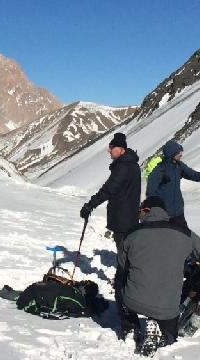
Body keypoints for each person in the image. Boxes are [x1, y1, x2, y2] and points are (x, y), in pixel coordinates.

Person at [117, 196, 200, 356]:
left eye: (139, 211)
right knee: (172, 337)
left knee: (119, 280)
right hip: (168, 308)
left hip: (133, 301)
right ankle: (164, 336)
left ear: (147, 210)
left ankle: (130, 326)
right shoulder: (184, 234)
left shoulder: (132, 233)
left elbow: (121, 268)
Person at [79, 132, 140, 320]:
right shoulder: (132, 165)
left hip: (123, 218)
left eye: (111, 148)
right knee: (127, 251)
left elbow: (109, 189)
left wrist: (90, 204)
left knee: (123, 253)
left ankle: (124, 286)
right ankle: (127, 281)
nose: (108, 151)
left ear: (120, 149)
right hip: (129, 216)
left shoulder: (122, 167)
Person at [146, 140, 200, 229]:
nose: (181, 154)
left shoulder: (179, 166)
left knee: (185, 238)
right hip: (164, 216)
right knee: (168, 241)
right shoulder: (160, 169)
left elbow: (194, 175)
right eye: (179, 153)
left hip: (178, 213)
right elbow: (150, 192)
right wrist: (156, 211)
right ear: (172, 154)